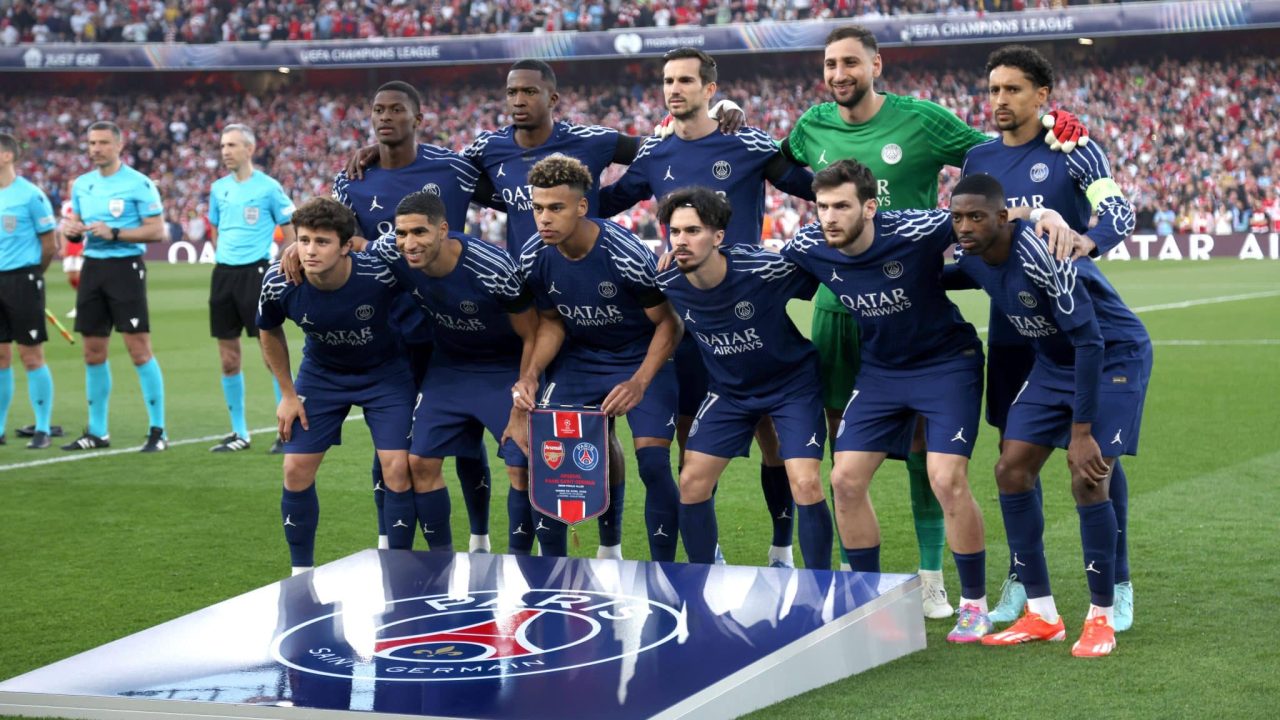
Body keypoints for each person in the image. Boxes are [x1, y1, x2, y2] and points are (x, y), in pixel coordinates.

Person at [779, 25, 1085, 616]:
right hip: (839, 317)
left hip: (917, 304)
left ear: (876, 65)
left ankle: (932, 577)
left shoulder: (921, 121)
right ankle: (859, 595)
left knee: (930, 457)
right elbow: (774, 166)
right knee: (844, 465)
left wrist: (1052, 133)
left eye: (850, 62)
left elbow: (996, 156)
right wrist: (726, 121)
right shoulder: (811, 126)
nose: (839, 73)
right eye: (830, 64)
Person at [599, 47, 816, 568]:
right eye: (668, 81)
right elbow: (604, 203)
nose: (674, 89)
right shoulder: (655, 153)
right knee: (692, 444)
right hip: (689, 319)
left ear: (710, 90)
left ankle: (782, 549)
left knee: (772, 441)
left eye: (685, 80)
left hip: (752, 314)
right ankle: (706, 554)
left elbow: (811, 186)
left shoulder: (747, 142)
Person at [960, 44, 1138, 630]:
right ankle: (1023, 578)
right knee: (1015, 453)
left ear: (1042, 96)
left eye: (1013, 89)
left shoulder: (1073, 147)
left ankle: (1117, 580)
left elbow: (1119, 213)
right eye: (994, 89)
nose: (1000, 100)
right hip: (1014, 330)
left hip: (1073, 319)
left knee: (1096, 457)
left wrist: (1088, 241)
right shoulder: (979, 157)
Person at [780, 160, 992, 643]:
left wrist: (1043, 216)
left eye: (841, 206)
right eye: (822, 207)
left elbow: (983, 217)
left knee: (946, 478)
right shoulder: (809, 244)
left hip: (946, 364)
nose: (829, 217)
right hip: (880, 372)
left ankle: (974, 606)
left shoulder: (918, 228)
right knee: (844, 479)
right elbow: (761, 272)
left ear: (870, 207)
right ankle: (868, 601)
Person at [949, 173, 1152, 658]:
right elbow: (935, 274)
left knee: (1088, 475)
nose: (965, 226)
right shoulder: (973, 256)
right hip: (1053, 363)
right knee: (1010, 470)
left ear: (1003, 218)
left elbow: (1090, 341)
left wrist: (1081, 432)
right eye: (958, 218)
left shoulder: (1043, 255)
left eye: (976, 217)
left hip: (1113, 357)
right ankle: (1041, 614)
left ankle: (1101, 616)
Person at [329, 80, 494, 552]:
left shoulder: (454, 168)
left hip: (448, 329)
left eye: (396, 109)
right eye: (378, 110)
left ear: (418, 118)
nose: (385, 117)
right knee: (391, 444)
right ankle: (390, 542)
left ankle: (479, 538)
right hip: (388, 331)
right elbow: (341, 242)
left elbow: (512, 193)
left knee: (466, 440)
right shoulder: (351, 180)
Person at [510, 154, 683, 562]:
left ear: (582, 206)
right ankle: (553, 570)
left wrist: (639, 382)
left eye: (556, 207)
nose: (544, 218)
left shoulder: (625, 252)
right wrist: (531, 374)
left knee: (653, 463)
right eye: (538, 208)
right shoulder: (535, 254)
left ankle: (663, 571)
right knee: (547, 456)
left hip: (641, 358)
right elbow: (551, 321)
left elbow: (669, 323)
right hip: (582, 359)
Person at [653, 187, 833, 569]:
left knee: (805, 482)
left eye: (693, 231)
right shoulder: (667, 280)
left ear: (718, 236)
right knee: (692, 481)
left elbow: (817, 271)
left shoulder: (763, 269)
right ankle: (703, 577)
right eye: (675, 231)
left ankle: (817, 583)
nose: (681, 240)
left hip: (791, 387)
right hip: (730, 393)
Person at [366, 191, 544, 554]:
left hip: (504, 369)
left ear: (443, 229)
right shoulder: (390, 250)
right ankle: (441, 561)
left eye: (419, 232)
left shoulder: (493, 268)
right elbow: (354, 247)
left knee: (521, 468)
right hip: (449, 367)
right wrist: (294, 252)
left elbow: (532, 333)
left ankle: (521, 563)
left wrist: (522, 398)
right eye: (402, 233)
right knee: (420, 462)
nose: (409, 243)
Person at [256, 197, 417, 576]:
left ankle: (398, 567)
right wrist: (287, 394)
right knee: (295, 469)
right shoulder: (279, 280)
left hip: (385, 374)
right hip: (321, 375)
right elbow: (268, 330)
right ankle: (300, 573)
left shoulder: (380, 273)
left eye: (322, 242)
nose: (310, 250)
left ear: (346, 246)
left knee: (397, 468)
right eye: (304, 240)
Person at [461, 58, 742, 257]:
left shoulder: (590, 141)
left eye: (530, 91)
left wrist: (713, 112)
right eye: (512, 92)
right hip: (527, 284)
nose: (519, 101)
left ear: (553, 99)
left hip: (590, 278)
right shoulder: (488, 147)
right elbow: (449, 175)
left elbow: (663, 147)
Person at [59, 121, 168, 453]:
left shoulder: (139, 183)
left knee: (139, 349)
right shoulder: (82, 185)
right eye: (92, 142)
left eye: (103, 142)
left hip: (125, 267)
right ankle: (97, 432)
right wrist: (73, 230)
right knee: (92, 351)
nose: (96, 148)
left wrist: (116, 233)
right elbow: (77, 225)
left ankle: (158, 430)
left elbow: (158, 231)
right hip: (92, 267)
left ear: (119, 146)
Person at [206, 123, 296, 453]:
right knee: (228, 359)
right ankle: (239, 433)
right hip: (223, 275)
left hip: (256, 274)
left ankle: (286, 431)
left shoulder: (269, 188)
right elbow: (215, 229)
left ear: (250, 149)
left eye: (232, 145)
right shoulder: (218, 188)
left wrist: (279, 266)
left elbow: (290, 233)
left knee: (270, 356)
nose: (225, 151)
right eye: (222, 146)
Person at [0, 132, 58, 449]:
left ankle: (43, 428)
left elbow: (50, 245)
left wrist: (33, 276)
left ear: (7, 155)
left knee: (31, 355)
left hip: (23, 279)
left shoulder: (30, 196)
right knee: (0, 356)